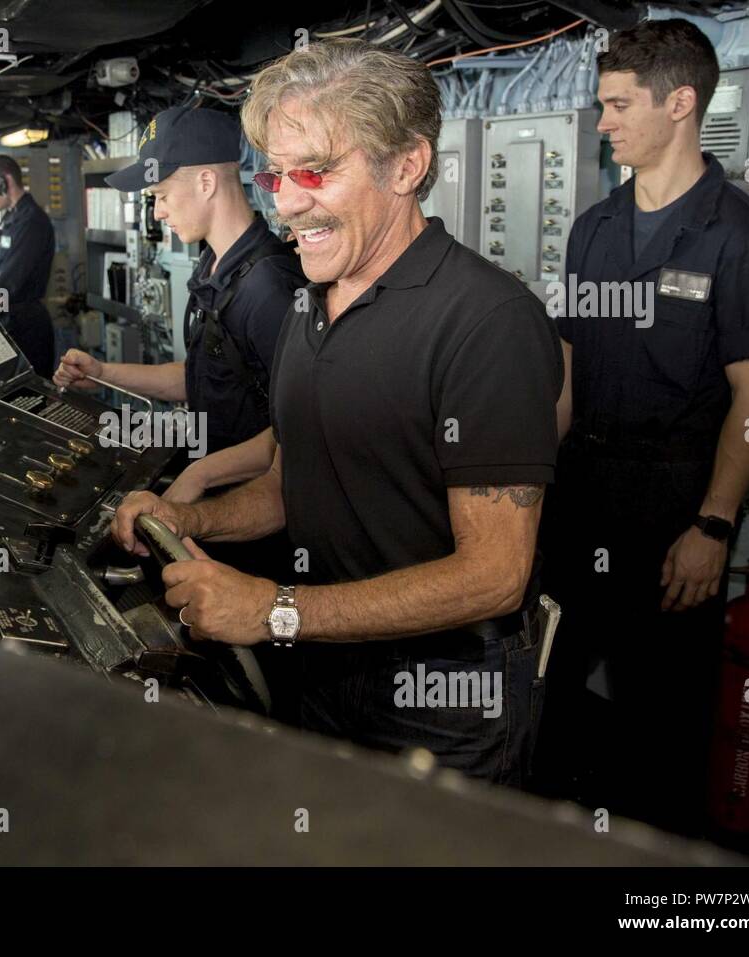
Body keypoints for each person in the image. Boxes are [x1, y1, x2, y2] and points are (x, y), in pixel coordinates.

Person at [112, 39, 562, 786]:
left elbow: (494, 574)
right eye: (276, 175)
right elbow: (294, 486)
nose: (286, 203)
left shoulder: (486, 321)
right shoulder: (308, 303)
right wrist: (187, 520)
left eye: (316, 171)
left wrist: (276, 610)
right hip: (325, 668)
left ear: (406, 165)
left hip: (441, 696)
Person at [538, 19, 749, 834]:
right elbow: (567, 373)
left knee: (662, 725)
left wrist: (714, 524)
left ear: (680, 103)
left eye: (618, 105)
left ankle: (666, 893)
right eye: (601, 104)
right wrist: (532, 486)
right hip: (580, 498)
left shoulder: (746, 240)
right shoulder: (593, 228)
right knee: (546, 696)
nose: (603, 122)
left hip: (673, 511)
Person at [54, 105, 305, 460]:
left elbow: (297, 436)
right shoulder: (213, 266)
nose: (157, 212)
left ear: (206, 183)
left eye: (161, 195)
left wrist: (199, 480)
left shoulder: (270, 288)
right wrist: (104, 373)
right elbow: (200, 381)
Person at [0, 154, 57, 377]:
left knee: (31, 399)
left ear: (2, 181)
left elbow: (7, 284)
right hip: (7, 322)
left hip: (25, 328)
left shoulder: (31, 221)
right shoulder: (11, 219)